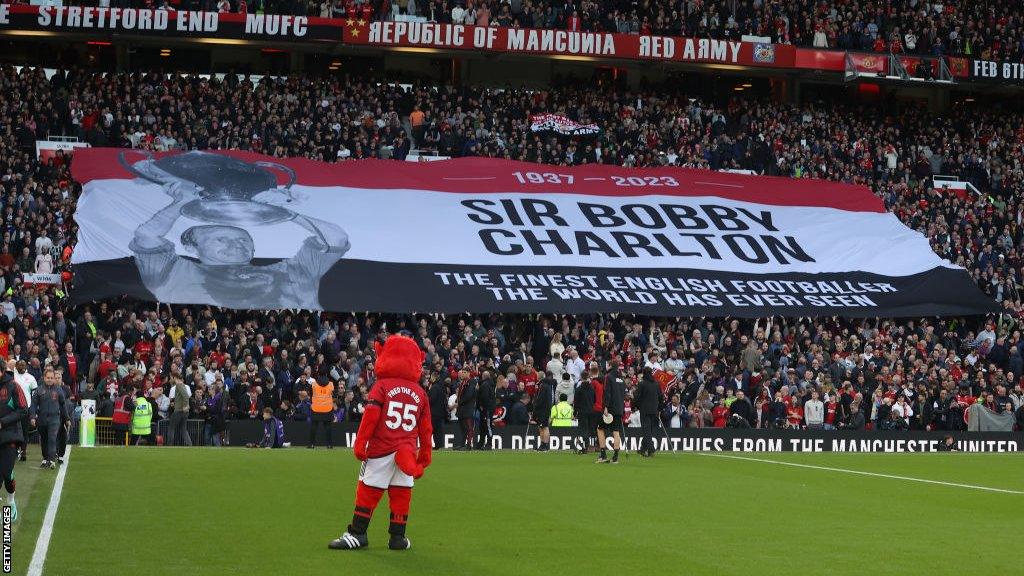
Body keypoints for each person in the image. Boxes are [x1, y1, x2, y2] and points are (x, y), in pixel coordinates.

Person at [331, 335, 432, 551]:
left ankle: (357, 534)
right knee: (402, 493)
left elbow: (370, 419)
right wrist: (424, 456)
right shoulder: (420, 393)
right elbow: (426, 429)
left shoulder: (382, 386)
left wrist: (360, 444)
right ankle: (398, 537)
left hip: (382, 449)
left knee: (368, 490)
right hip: (406, 450)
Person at [0, 370, 28, 521]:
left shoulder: (13, 386)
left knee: (6, 472)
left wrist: (3, 422)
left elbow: (23, 410)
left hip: (9, 436)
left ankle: (11, 503)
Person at [30, 368, 69, 467]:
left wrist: (67, 419)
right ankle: (45, 458)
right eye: (48, 378)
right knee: (44, 439)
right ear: (44, 378)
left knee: (52, 438)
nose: (50, 379)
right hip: (42, 419)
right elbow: (33, 405)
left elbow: (63, 405)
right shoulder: (39, 390)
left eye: (52, 378)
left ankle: (51, 460)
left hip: (54, 419)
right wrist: (33, 417)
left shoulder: (58, 389)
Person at [597, 359, 625, 464]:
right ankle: (615, 457)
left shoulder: (608, 377)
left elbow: (607, 393)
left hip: (610, 409)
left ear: (609, 366)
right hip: (619, 408)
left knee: (600, 429)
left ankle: (603, 454)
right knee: (616, 432)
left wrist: (606, 407)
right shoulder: (621, 378)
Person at [634, 368, 661, 457]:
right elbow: (661, 397)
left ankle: (651, 449)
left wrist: (636, 405)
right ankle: (643, 449)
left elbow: (637, 397)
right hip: (654, 410)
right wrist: (659, 408)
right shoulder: (656, 384)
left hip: (645, 410)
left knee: (646, 431)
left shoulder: (642, 384)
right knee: (649, 431)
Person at [12, 360, 36, 461]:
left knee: (24, 431)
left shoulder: (30, 378)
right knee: (15, 430)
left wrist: (33, 412)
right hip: (13, 408)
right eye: (20, 364)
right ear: (16, 366)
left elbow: (34, 394)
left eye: (24, 364)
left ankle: (23, 451)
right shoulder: (12, 376)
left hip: (26, 408)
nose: (22, 366)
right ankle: (15, 450)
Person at [572, 370, 595, 454]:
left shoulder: (579, 389)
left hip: (582, 411)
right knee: (589, 428)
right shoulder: (592, 388)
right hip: (591, 411)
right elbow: (594, 399)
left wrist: (575, 413)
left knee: (583, 429)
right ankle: (589, 445)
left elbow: (576, 402)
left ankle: (585, 446)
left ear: (581, 378)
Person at [309, 377, 335, 449]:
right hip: (327, 408)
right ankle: (329, 445)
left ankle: (312, 444)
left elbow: (311, 394)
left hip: (316, 408)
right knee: (328, 427)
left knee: (314, 426)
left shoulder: (313, 384)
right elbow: (333, 393)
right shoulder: (331, 384)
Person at [454, 370, 477, 450]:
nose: (462, 374)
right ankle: (462, 444)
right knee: (463, 428)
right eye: (462, 372)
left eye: (464, 372)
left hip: (467, 408)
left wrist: (459, 402)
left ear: (468, 373)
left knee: (469, 427)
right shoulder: (463, 382)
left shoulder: (471, 382)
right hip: (462, 409)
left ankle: (469, 445)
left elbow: (468, 395)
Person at [167, 374, 192, 446]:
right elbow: (184, 396)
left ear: (175, 378)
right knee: (183, 429)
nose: (170, 380)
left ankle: (169, 445)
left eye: (171, 378)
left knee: (171, 428)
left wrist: (185, 406)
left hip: (179, 410)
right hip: (184, 411)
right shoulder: (183, 385)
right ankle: (190, 445)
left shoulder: (178, 385)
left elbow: (185, 396)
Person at [532, 372, 555, 451]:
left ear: (539, 377)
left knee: (544, 427)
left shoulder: (543, 386)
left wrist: (535, 408)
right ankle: (543, 444)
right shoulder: (548, 386)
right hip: (546, 409)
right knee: (542, 427)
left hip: (542, 410)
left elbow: (540, 399)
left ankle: (544, 445)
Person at [475, 371, 495, 450]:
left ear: (483, 376)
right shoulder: (489, 384)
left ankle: (489, 444)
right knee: (483, 426)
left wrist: (482, 406)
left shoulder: (485, 385)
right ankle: (481, 443)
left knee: (487, 426)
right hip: (487, 409)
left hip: (486, 410)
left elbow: (484, 397)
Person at [427, 376, 448, 450]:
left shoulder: (434, 387)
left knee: (431, 430)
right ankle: (439, 446)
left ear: (434, 378)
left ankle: (429, 446)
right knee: (438, 431)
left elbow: (431, 400)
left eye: (431, 377)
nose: (430, 378)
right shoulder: (441, 387)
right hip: (441, 413)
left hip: (434, 413)